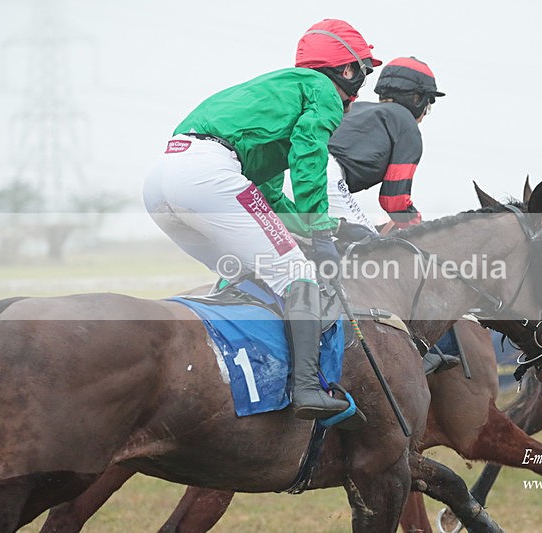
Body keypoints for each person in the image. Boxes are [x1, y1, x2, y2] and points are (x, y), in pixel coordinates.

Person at [143, 19, 381, 421]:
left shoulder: (274, 97)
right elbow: (310, 157)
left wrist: (329, 228)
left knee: (245, 272)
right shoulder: (320, 89)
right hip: (208, 176)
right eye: (365, 71)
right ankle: (306, 387)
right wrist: (319, 228)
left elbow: (268, 197)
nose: (362, 84)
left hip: (162, 182)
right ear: (347, 69)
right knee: (296, 273)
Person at [326, 56, 445, 234]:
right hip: (328, 176)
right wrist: (420, 227)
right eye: (427, 106)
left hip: (297, 172)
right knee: (368, 249)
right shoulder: (406, 123)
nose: (425, 114)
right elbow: (394, 200)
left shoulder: (356, 109)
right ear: (417, 98)